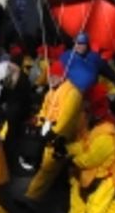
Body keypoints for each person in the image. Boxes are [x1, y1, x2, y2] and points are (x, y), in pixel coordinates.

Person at [24, 59, 84, 201]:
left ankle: (32, 196)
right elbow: (45, 109)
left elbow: (67, 118)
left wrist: (56, 135)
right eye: (50, 76)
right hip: (51, 133)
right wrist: (39, 120)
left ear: (62, 76)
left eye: (54, 76)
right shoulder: (52, 91)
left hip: (63, 138)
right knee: (53, 167)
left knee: (49, 166)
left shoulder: (72, 93)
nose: (51, 79)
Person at [64, 87, 115, 213]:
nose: (84, 108)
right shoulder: (96, 125)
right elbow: (84, 145)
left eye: (87, 105)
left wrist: (71, 159)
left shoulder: (106, 134)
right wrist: (67, 149)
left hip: (105, 178)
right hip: (96, 177)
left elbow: (90, 159)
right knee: (109, 208)